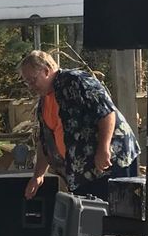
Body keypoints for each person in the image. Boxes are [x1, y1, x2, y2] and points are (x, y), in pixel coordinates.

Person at [19, 50, 141, 201]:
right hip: (81, 172)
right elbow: (46, 141)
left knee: (116, 211)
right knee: (87, 213)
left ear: (46, 70)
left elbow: (107, 112)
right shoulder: (44, 102)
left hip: (111, 162)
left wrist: (103, 148)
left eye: (33, 80)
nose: (31, 86)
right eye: (27, 82)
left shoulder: (76, 80)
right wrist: (38, 175)